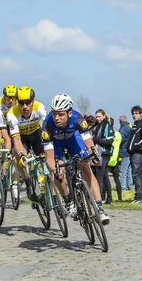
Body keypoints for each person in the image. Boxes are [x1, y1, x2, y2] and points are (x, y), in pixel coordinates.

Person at [40, 93, 111, 224]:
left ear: (70, 113)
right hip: (56, 144)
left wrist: (94, 154)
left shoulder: (78, 119)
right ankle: (68, 200)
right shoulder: (47, 125)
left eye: (61, 114)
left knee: (85, 166)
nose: (57, 117)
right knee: (58, 173)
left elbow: (88, 143)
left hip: (73, 140)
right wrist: (54, 168)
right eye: (55, 113)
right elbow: (49, 158)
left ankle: (99, 208)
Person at [6, 87, 47, 202]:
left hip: (36, 136)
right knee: (18, 156)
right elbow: (17, 139)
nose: (24, 106)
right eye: (21, 103)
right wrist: (22, 154)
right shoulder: (12, 113)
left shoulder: (39, 108)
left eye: (27, 102)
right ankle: (27, 182)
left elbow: (47, 129)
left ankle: (46, 181)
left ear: (32, 102)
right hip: (22, 138)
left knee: (47, 157)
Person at [127, 105, 142, 204]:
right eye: (133, 114)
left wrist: (135, 146)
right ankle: (137, 196)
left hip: (139, 153)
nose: (134, 115)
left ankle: (140, 197)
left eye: (136, 113)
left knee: (137, 175)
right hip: (133, 153)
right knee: (135, 175)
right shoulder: (134, 125)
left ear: (140, 114)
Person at [92, 109, 115, 204]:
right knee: (105, 176)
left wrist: (95, 139)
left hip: (104, 153)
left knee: (99, 176)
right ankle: (109, 198)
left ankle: (99, 198)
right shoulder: (98, 126)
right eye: (96, 117)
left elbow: (109, 141)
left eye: (99, 116)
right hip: (99, 153)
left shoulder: (107, 126)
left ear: (104, 116)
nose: (97, 118)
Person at [118, 115, 133, 192]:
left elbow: (121, 139)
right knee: (129, 171)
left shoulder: (123, 129)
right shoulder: (130, 127)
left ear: (120, 121)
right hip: (130, 151)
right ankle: (130, 186)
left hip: (124, 151)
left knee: (123, 171)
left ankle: (122, 187)